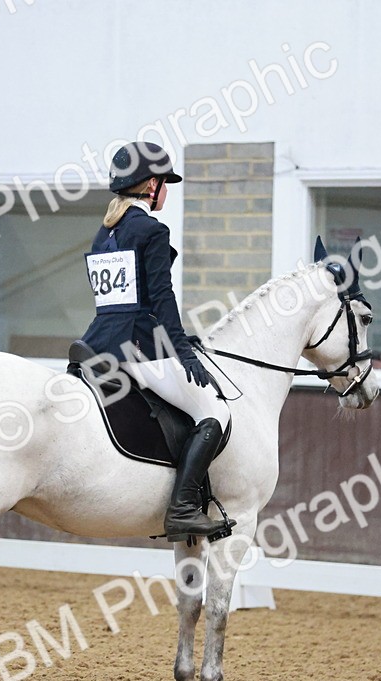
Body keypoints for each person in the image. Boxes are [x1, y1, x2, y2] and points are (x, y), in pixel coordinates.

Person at [79, 141, 231, 541]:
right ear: (150, 185)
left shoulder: (104, 232)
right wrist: (183, 354)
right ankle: (181, 508)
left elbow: (124, 302)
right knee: (215, 413)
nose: (167, 190)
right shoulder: (151, 230)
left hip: (98, 343)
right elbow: (163, 300)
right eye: (165, 183)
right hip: (139, 348)